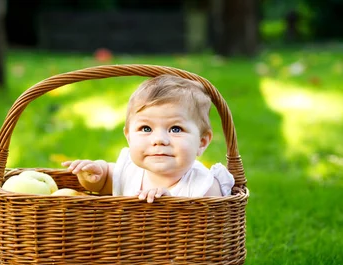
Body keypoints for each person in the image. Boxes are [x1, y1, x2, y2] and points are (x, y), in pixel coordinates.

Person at [62, 74, 235, 203]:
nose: (159, 139)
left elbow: (211, 226)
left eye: (176, 129)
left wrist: (172, 206)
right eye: (146, 128)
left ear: (202, 142)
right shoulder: (129, 169)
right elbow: (100, 185)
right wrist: (93, 174)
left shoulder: (203, 186)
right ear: (129, 137)